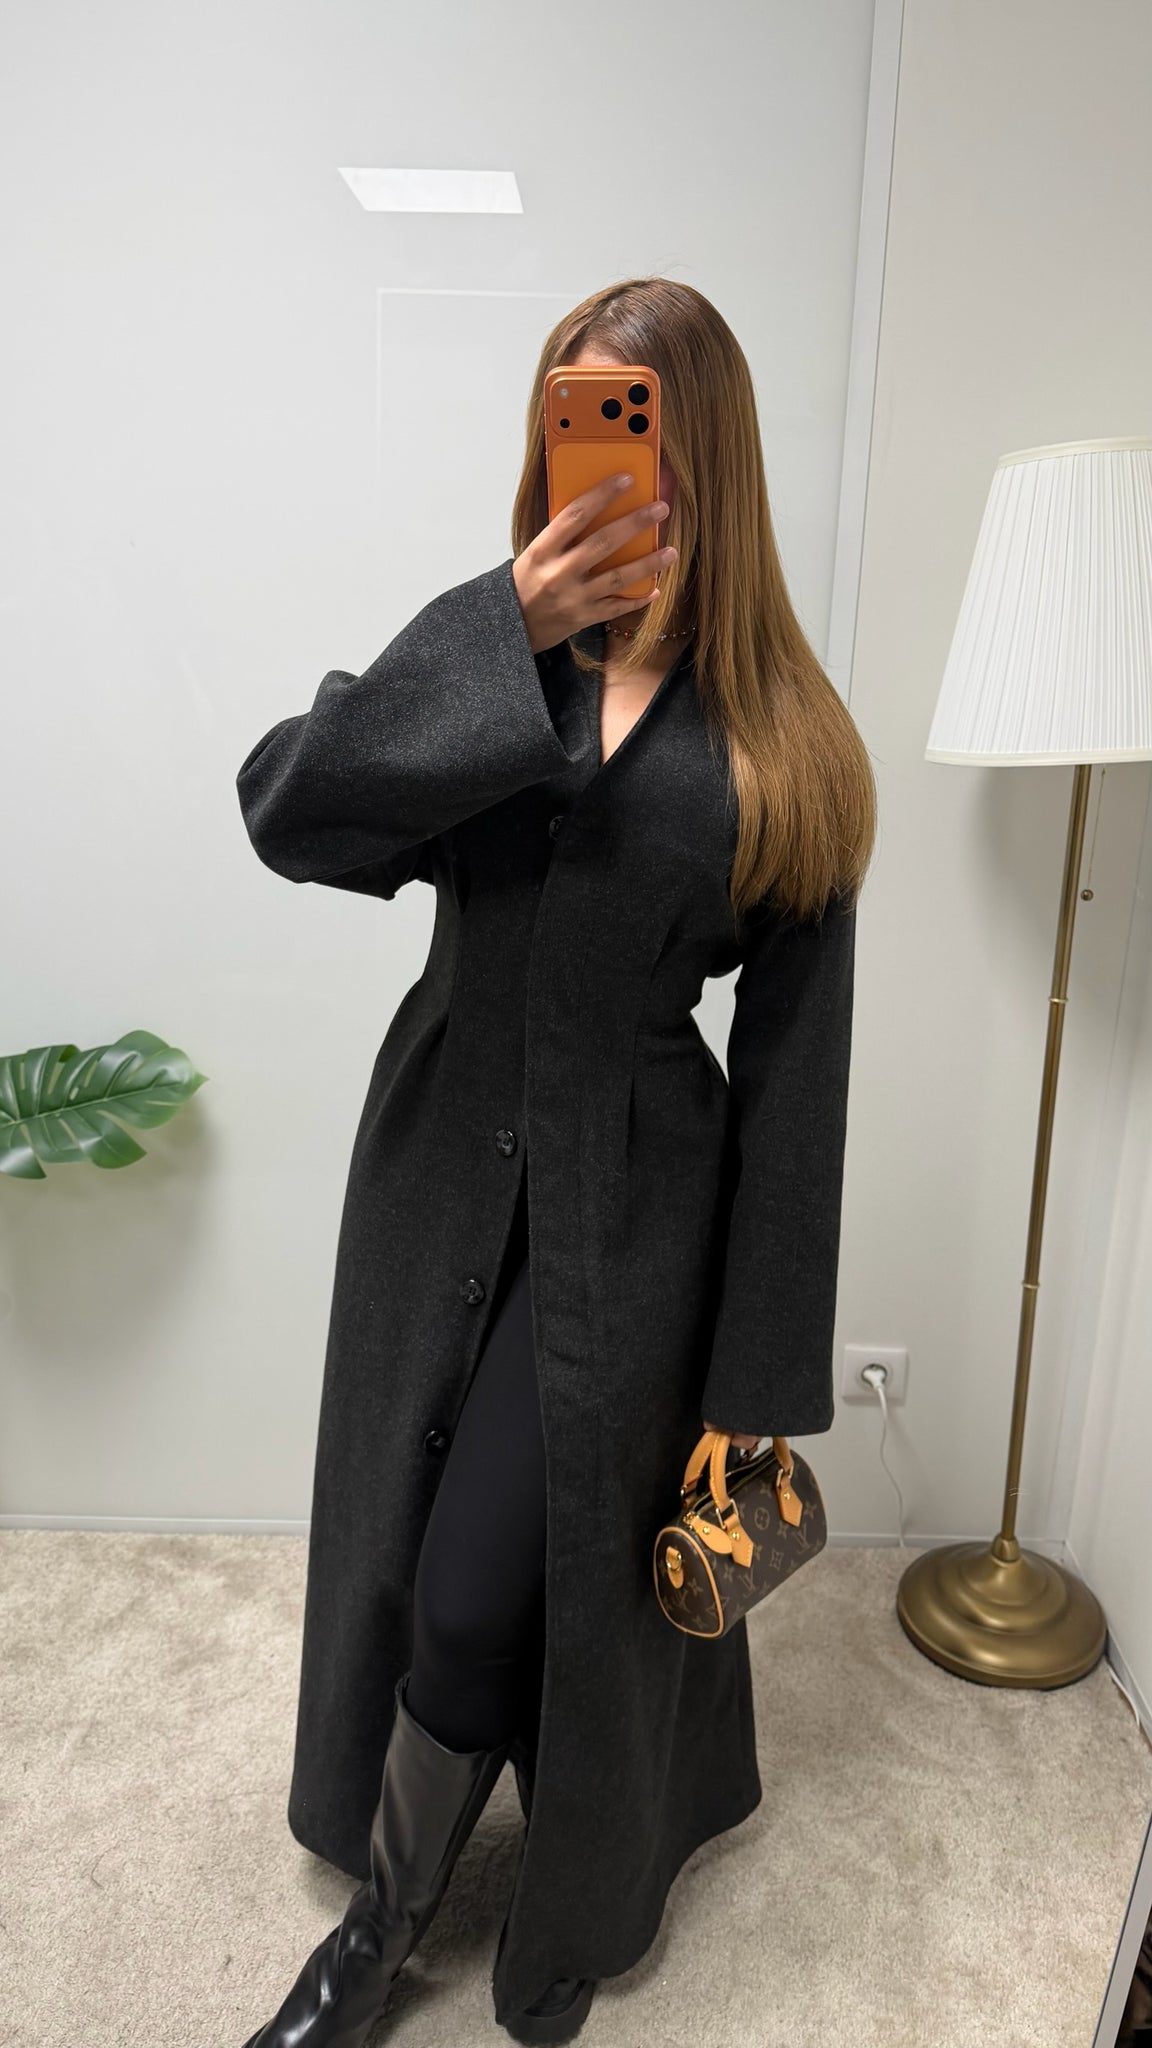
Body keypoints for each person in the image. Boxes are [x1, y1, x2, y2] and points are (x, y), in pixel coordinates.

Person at [234, 276, 877, 2048]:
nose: (597, 455)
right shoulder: (491, 672)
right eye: (572, 417)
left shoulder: (784, 745)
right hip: (439, 1174)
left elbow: (798, 1083)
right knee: (429, 1548)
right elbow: (291, 809)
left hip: (637, 1217)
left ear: (704, 454)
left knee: (512, 1578)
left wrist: (755, 1381)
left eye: (634, 424)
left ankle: (487, 1907)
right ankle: (379, 1937)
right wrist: (502, 627)